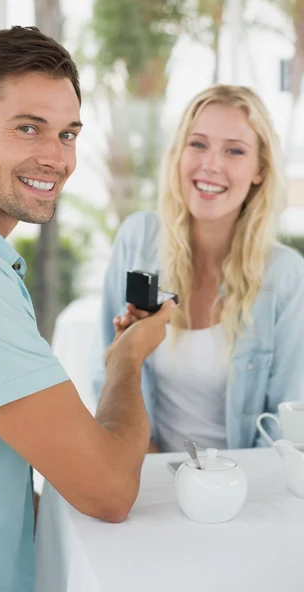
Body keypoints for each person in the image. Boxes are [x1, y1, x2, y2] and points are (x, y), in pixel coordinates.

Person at [0, 26, 176, 592]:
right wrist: (128, 359)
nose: (56, 158)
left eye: (68, 133)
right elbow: (108, 491)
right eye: (28, 128)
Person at [92, 84, 304, 453]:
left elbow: (286, 426)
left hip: (244, 487)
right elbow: (106, 371)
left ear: (260, 170)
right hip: (146, 472)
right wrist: (145, 460)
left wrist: (220, 489)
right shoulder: (137, 240)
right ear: (178, 153)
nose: (211, 164)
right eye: (198, 144)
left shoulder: (286, 277)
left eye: (234, 151)